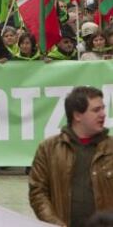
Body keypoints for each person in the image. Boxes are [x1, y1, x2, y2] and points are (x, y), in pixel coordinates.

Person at [29, 86, 113, 227]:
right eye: (96, 110)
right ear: (77, 115)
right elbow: (38, 193)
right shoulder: (48, 149)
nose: (103, 114)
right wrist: (55, 223)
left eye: (103, 108)